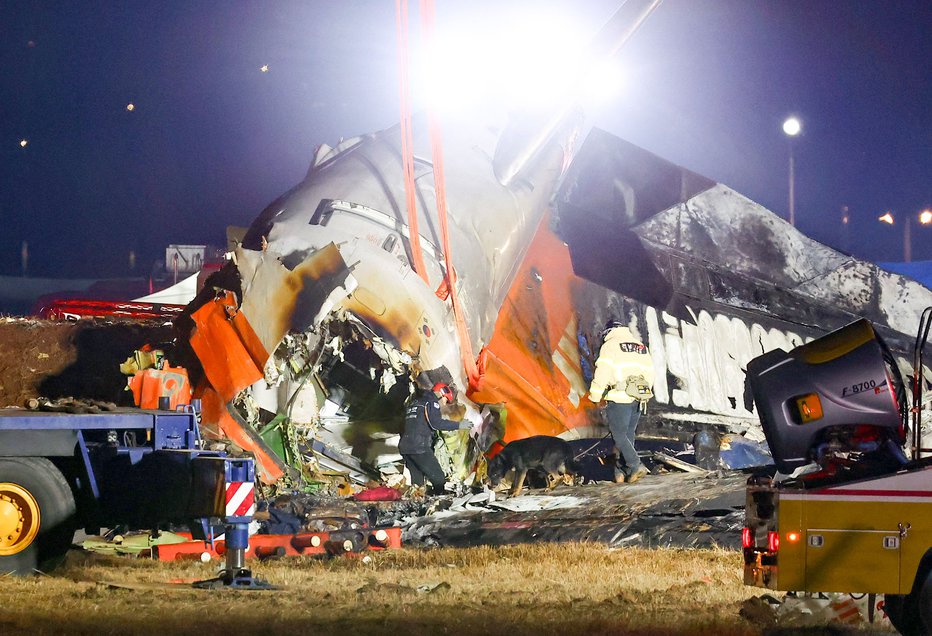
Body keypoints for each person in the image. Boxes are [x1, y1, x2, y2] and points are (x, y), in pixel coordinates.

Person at [588, 320, 655, 484]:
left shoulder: (611, 345)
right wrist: (643, 392)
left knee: (618, 435)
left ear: (608, 332)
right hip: (638, 398)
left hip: (619, 398)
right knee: (628, 436)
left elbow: (602, 371)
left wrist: (595, 396)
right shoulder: (640, 346)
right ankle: (622, 471)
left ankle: (635, 465)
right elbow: (650, 372)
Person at [399, 382, 471, 494]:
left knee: (417, 483)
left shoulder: (414, 402)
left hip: (405, 447)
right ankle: (439, 502)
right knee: (438, 478)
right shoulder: (431, 402)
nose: (444, 404)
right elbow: (436, 423)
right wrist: (459, 425)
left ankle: (416, 504)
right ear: (441, 394)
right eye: (446, 400)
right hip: (419, 447)